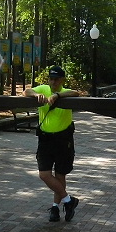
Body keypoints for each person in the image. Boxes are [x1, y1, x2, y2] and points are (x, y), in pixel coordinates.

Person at [24, 66, 85, 222]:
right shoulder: (43, 89)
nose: (53, 82)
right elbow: (26, 92)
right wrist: (37, 94)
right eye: (51, 78)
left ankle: (55, 208)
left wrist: (57, 95)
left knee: (60, 175)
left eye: (57, 79)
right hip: (45, 139)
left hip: (63, 140)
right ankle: (68, 200)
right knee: (44, 174)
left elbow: (77, 93)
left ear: (62, 80)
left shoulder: (66, 92)